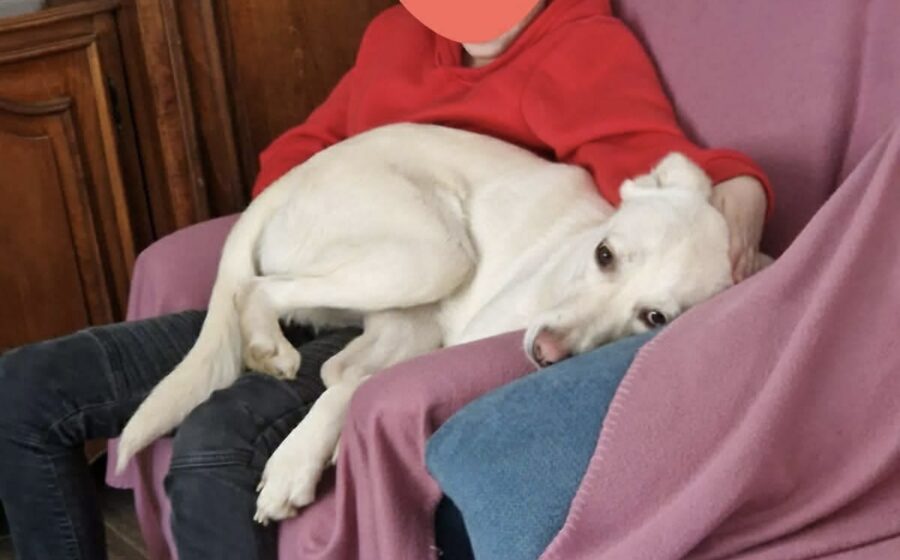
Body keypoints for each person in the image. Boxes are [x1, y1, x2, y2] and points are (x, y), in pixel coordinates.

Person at [0, 0, 771, 558]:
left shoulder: (582, 43)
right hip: (335, 268)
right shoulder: (399, 34)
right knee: (24, 389)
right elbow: (301, 153)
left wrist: (741, 189)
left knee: (214, 444)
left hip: (416, 303)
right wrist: (334, 218)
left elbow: (652, 177)